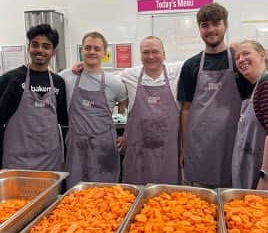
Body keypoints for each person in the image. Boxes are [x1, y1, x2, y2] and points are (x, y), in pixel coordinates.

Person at [178, 2, 252, 189]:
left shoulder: (239, 63)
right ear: (199, 30)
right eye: (205, 25)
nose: (211, 29)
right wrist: (185, 148)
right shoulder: (190, 66)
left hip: (233, 143)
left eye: (216, 23)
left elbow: (255, 96)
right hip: (200, 146)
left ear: (225, 26)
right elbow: (186, 109)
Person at [60, 33, 126, 185]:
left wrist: (126, 135)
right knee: (75, 191)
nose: (92, 52)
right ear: (82, 51)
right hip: (76, 146)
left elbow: (128, 108)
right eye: (87, 48)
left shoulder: (115, 83)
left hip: (104, 146)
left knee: (105, 192)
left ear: (104, 53)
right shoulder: (66, 77)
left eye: (97, 49)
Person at [0, 24, 67, 171]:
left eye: (46, 46)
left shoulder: (58, 82)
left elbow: (63, 120)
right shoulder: (11, 79)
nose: (40, 50)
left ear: (53, 51)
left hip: (49, 159)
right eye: (35, 45)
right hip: (17, 160)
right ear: (29, 47)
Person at [119, 36, 182, 185]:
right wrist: (85, 66)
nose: (151, 56)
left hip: (169, 155)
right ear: (140, 55)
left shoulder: (178, 71)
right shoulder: (129, 75)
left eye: (155, 52)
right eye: (146, 52)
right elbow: (103, 80)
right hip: (139, 154)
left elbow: (202, 59)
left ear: (164, 54)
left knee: (168, 199)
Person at [231, 40, 268, 191]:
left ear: (262, 55)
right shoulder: (254, 88)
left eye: (246, 54)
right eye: (237, 57)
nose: (241, 60)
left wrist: (265, 180)